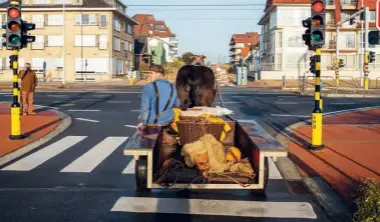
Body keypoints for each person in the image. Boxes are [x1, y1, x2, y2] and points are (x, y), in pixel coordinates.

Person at [137, 65, 180, 132]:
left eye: (151, 73)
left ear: (158, 74)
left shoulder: (149, 86)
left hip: (153, 124)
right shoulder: (173, 87)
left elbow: (145, 107)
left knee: (146, 141)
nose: (150, 76)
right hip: (168, 122)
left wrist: (143, 122)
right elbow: (177, 104)